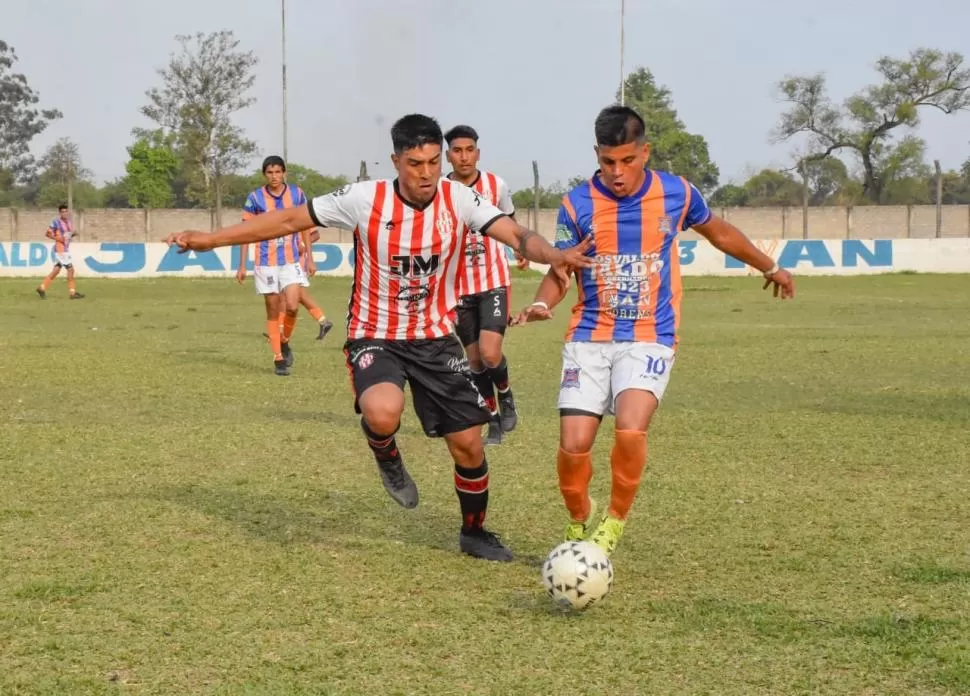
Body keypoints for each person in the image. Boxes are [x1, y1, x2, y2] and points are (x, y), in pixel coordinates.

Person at [163, 114, 592, 562]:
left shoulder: (459, 198)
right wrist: (212, 240)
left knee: (467, 443)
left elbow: (517, 235)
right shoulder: (364, 199)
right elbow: (288, 219)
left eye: (432, 162)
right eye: (414, 164)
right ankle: (385, 451)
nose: (425, 173)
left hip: (434, 338)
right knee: (383, 412)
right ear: (396, 161)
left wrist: (554, 255)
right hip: (376, 335)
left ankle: (474, 532)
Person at [513, 105, 795, 557]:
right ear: (596, 155)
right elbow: (562, 269)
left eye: (627, 160)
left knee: (630, 429)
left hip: (650, 334)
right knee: (574, 445)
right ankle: (578, 522)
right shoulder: (577, 203)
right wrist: (543, 302)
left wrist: (772, 266)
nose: (617, 172)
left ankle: (613, 524)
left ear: (645, 152)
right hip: (589, 336)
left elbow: (719, 233)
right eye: (607, 162)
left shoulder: (676, 193)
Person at [444, 124, 518, 445]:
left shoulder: (495, 185)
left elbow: (510, 221)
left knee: (490, 354)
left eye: (469, 150)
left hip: (493, 280)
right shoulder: (439, 189)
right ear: (448, 155)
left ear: (478, 152)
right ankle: (493, 420)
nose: (464, 157)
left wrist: (522, 248)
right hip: (458, 288)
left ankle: (506, 394)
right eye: (457, 151)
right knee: (473, 361)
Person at [235, 156, 318, 376]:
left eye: (278, 172)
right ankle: (278, 358)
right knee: (273, 310)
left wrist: (310, 258)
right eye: (270, 172)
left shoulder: (297, 194)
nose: (274, 176)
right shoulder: (255, 198)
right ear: (265, 174)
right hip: (265, 263)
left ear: (284, 173)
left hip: (290, 260)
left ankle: (283, 340)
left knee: (292, 306)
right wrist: (242, 264)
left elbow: (306, 226)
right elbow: (245, 231)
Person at [36, 204, 84, 300]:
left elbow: (67, 236)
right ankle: (72, 293)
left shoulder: (69, 222)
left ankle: (42, 288)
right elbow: (47, 234)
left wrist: (73, 234)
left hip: (65, 249)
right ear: (60, 213)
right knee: (71, 270)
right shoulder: (56, 222)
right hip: (60, 249)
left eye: (66, 211)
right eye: (62, 212)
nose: (64, 213)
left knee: (56, 270)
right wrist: (58, 238)